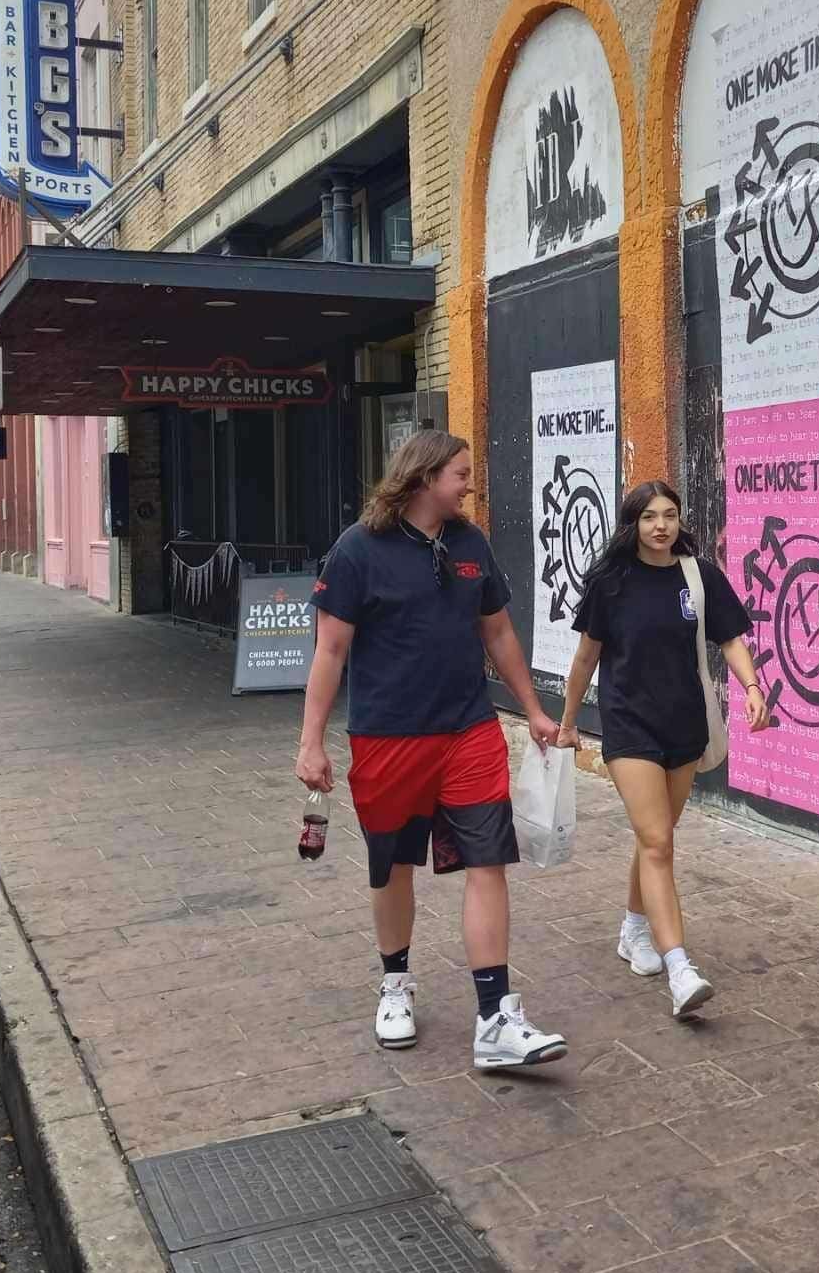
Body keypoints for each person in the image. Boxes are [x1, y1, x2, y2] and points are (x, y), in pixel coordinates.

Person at [296, 431, 569, 1070]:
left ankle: (496, 1017)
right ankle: (395, 984)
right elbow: (329, 651)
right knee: (392, 867)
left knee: (488, 860)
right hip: (388, 737)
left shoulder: (470, 544)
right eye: (460, 474)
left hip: (469, 731)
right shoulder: (358, 550)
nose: (470, 484)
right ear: (422, 477)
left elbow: (497, 630)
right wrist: (311, 743)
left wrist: (531, 710)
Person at [558, 480, 769, 1019]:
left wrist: (751, 687)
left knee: (658, 837)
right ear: (633, 523)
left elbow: (730, 639)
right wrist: (566, 723)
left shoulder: (698, 576)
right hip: (629, 726)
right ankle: (680, 968)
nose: (661, 526)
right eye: (650, 516)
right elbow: (585, 659)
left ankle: (633, 928)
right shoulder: (611, 582)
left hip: (684, 724)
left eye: (670, 515)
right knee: (657, 841)